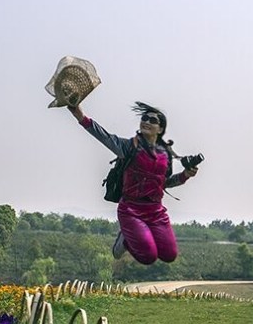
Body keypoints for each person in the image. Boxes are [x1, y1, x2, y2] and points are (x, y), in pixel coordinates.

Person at [66, 101, 199, 265]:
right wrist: (80, 116)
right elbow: (104, 136)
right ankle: (125, 239)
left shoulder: (166, 156)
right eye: (144, 118)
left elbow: (165, 183)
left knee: (169, 255)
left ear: (160, 129)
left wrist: (185, 175)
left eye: (152, 120)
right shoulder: (129, 147)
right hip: (131, 209)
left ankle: (136, 235)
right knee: (148, 257)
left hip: (156, 210)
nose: (146, 122)